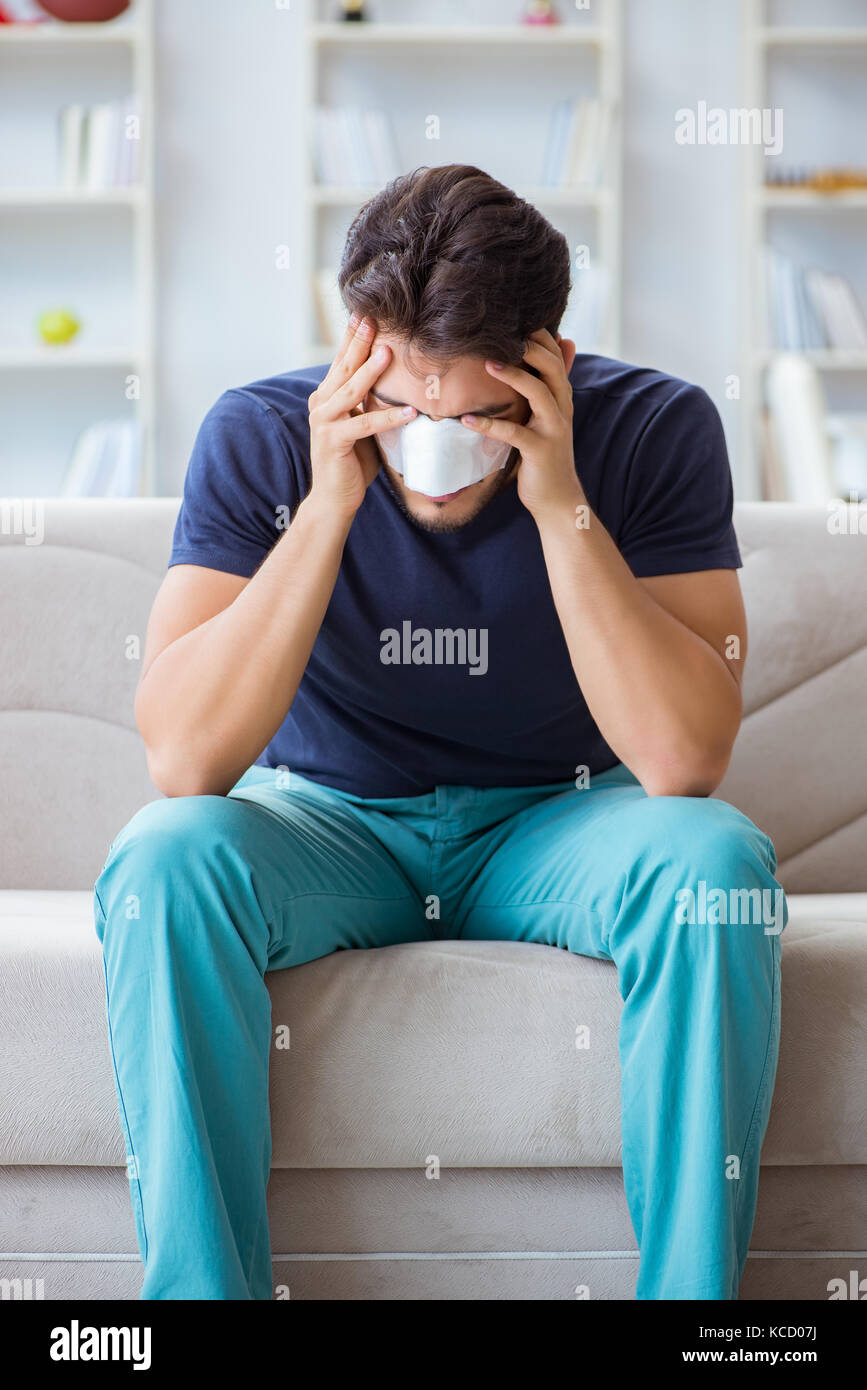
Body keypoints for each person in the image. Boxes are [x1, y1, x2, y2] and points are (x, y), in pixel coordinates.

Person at [93, 163, 786, 1301]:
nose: (440, 448)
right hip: (329, 819)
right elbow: (184, 759)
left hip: (564, 818)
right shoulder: (263, 435)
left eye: (479, 415)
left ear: (547, 360)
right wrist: (328, 506)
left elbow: (684, 761)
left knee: (715, 865)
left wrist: (558, 496)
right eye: (411, 408)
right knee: (162, 861)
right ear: (359, 344)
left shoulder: (656, 428)